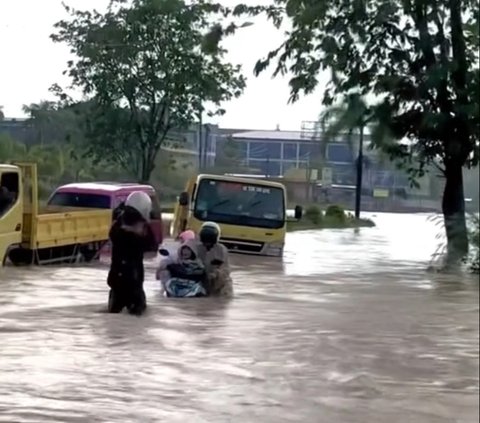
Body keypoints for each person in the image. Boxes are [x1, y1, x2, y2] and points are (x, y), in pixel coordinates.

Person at [107, 191, 155, 315]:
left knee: (135, 312)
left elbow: (151, 245)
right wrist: (133, 231)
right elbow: (116, 237)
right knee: (123, 312)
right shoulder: (119, 227)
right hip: (123, 278)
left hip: (131, 278)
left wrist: (139, 231)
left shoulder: (139, 228)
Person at [196, 221, 233, 297]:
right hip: (199, 282)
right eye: (205, 241)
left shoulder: (221, 249)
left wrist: (215, 274)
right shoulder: (196, 247)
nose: (207, 244)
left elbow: (225, 269)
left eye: (210, 241)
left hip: (220, 285)